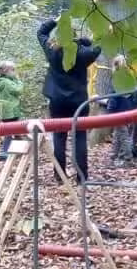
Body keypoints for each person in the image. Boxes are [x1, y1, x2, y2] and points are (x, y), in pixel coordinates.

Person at [37, 17, 100, 182]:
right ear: (73, 35)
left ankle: (59, 175)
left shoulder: (52, 50)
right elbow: (97, 47)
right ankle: (82, 176)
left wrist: (57, 21)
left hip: (57, 101)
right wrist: (84, 41)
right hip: (78, 101)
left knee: (59, 137)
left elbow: (41, 32)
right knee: (79, 137)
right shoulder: (83, 53)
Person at [106, 56, 137, 166]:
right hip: (127, 113)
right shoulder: (129, 80)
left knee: (123, 136)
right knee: (119, 135)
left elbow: (113, 97)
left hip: (118, 113)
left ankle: (126, 158)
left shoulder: (117, 80)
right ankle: (116, 156)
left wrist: (110, 110)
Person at [0, 60, 24, 158]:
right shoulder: (6, 82)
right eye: (13, 70)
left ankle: (16, 151)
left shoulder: (4, 81)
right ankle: (6, 151)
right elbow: (18, 90)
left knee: (14, 131)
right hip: (10, 111)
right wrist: (19, 81)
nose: (15, 72)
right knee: (10, 132)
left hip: (8, 111)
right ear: (6, 71)